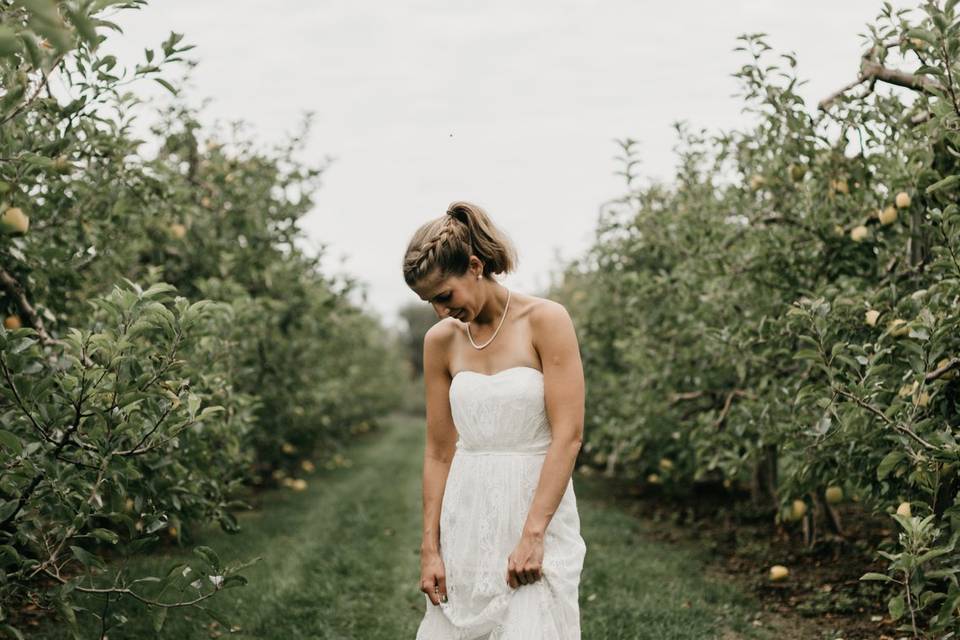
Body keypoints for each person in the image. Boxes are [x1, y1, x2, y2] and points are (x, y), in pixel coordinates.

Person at [403, 201, 587, 639]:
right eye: (429, 302)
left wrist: (533, 534)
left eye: (444, 296)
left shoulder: (546, 320)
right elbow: (439, 451)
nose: (441, 312)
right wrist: (430, 549)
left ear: (474, 266)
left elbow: (569, 435)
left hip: (534, 505)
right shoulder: (439, 342)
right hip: (466, 515)